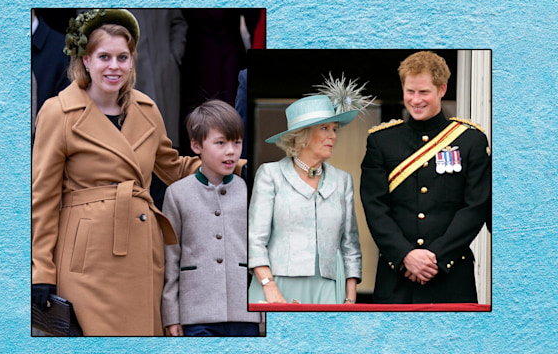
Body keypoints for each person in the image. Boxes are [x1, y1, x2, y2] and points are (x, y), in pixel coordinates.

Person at [31, 9, 207, 336]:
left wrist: (231, 166)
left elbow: (173, 168)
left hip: (141, 253)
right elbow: (42, 198)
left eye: (123, 57)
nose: (115, 66)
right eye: (104, 57)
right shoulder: (58, 112)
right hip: (86, 262)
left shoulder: (147, 109)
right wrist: (42, 271)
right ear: (85, 60)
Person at [360, 51, 491, 304]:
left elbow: (475, 207)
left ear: (442, 89)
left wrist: (437, 257)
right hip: (396, 274)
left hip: (452, 275)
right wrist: (406, 255)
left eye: (424, 92)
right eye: (410, 91)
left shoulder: (470, 141)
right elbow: (374, 207)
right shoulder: (381, 141)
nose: (415, 100)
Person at [248, 93, 362, 305]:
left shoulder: (343, 180)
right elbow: (255, 239)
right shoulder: (270, 175)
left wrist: (349, 299)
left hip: (328, 291)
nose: (333, 136)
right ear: (302, 135)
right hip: (277, 287)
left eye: (334, 129)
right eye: (325, 128)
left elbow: (350, 246)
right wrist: (269, 287)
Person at [161, 100, 261, 336]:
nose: (231, 151)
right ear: (196, 145)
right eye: (220, 143)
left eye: (237, 143)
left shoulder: (251, 191)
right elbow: (170, 258)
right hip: (195, 313)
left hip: (245, 314)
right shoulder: (177, 193)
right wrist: (171, 316)